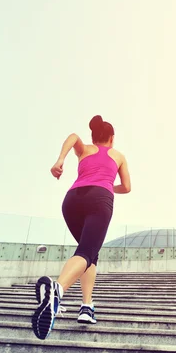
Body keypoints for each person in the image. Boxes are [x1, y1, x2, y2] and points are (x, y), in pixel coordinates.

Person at [32, 115, 131, 340]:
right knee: (86, 252)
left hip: (72, 200)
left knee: (89, 254)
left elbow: (73, 136)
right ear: (112, 138)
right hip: (99, 199)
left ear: (94, 136)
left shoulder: (84, 149)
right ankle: (57, 292)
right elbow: (127, 187)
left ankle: (87, 307)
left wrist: (60, 161)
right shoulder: (118, 155)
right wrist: (105, 185)